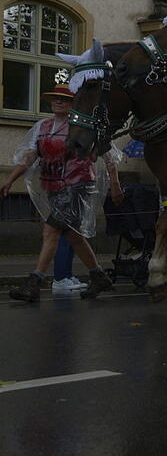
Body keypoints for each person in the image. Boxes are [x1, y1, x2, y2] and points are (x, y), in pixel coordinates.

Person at [0, 83, 122, 301]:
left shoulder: (83, 126)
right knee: (73, 236)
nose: (58, 102)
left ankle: (34, 283)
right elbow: (30, 157)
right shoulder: (43, 127)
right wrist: (9, 180)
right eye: (55, 98)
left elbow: (108, 155)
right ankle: (99, 276)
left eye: (64, 99)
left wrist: (115, 184)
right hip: (54, 187)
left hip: (77, 185)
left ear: (73, 104)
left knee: (50, 231)